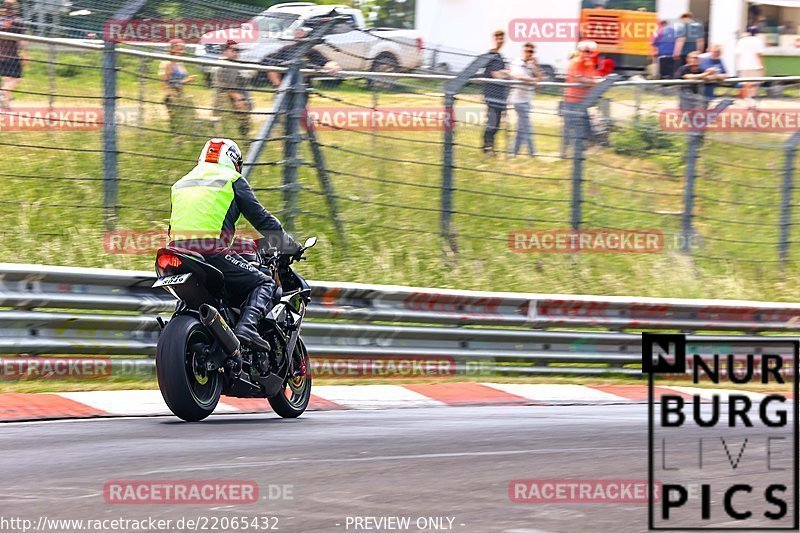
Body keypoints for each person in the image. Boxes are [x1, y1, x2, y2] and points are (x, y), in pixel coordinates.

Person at [168, 138, 301, 351]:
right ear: (234, 161)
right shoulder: (232, 179)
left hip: (175, 252)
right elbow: (263, 220)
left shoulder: (181, 183)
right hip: (209, 251)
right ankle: (247, 328)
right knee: (265, 284)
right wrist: (289, 245)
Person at [261, 25, 340, 87]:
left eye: (302, 31)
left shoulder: (311, 51)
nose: (298, 33)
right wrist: (279, 85)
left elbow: (327, 62)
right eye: (298, 31)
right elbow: (272, 65)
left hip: (302, 85)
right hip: (284, 83)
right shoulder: (286, 49)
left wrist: (332, 66)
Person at [561, 41, 601, 159]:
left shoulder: (589, 63)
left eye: (590, 52)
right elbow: (579, 78)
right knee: (569, 127)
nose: (588, 54)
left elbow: (594, 77)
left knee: (585, 126)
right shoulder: (575, 62)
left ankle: (579, 151)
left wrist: (596, 80)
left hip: (583, 101)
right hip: (571, 101)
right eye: (586, 51)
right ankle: (565, 152)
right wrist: (593, 82)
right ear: (580, 51)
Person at [508, 42, 543, 157]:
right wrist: (533, 80)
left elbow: (540, 83)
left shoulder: (532, 65)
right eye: (527, 51)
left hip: (527, 100)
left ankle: (513, 153)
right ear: (523, 51)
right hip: (518, 100)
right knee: (527, 127)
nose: (529, 54)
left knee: (521, 129)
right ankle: (532, 153)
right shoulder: (517, 62)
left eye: (531, 52)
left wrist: (536, 66)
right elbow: (518, 76)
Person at [213, 41, 253, 137]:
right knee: (230, 133)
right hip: (228, 105)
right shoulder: (223, 66)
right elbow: (230, 91)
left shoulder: (235, 65)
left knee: (242, 132)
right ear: (225, 51)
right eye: (233, 50)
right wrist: (242, 102)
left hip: (238, 105)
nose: (236, 53)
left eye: (237, 51)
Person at [481, 30, 510, 155]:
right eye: (498, 38)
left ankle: (489, 147)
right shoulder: (491, 55)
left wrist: (504, 73)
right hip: (491, 95)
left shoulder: (500, 57)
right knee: (492, 123)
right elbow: (495, 74)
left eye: (502, 38)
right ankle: (487, 148)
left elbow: (503, 74)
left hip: (500, 95)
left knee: (496, 124)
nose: (500, 41)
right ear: (494, 39)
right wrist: (506, 73)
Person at [160, 38, 196, 134]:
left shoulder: (180, 62)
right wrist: (172, 93)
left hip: (180, 93)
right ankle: (176, 138)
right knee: (176, 118)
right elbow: (163, 83)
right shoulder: (168, 64)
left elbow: (180, 81)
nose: (182, 51)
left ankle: (184, 135)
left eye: (183, 49)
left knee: (185, 116)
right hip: (172, 95)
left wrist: (186, 81)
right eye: (180, 49)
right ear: (173, 49)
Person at [0, 0, 25, 110]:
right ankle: (1, 94)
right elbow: (22, 40)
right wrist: (24, 52)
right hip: (12, 55)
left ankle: (6, 104)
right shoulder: (17, 21)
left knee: (7, 79)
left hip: (1, 55)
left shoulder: (0, 21)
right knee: (16, 79)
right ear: (15, 8)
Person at [735, 26, 765, 107]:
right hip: (755, 65)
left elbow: (738, 54)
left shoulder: (741, 41)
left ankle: (748, 100)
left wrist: (737, 66)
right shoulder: (758, 41)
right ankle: (752, 100)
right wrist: (762, 66)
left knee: (746, 84)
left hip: (743, 65)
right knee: (754, 84)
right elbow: (759, 54)